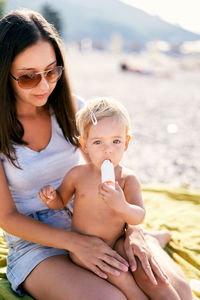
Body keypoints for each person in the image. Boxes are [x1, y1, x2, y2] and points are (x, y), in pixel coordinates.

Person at [0, 8, 192, 300]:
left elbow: (112, 161)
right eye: (28, 77)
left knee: (174, 290)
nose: (44, 85)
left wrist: (133, 232)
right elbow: (8, 217)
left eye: (52, 71)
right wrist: (75, 243)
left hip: (95, 224)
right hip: (35, 242)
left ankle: (151, 237)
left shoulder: (73, 108)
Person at [38, 97, 148, 300]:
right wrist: (51, 198)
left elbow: (138, 217)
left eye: (116, 141)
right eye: (98, 142)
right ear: (84, 145)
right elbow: (60, 201)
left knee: (140, 270)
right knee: (122, 276)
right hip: (82, 248)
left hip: (115, 242)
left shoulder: (127, 179)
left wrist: (121, 205)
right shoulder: (77, 175)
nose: (108, 149)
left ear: (127, 143)